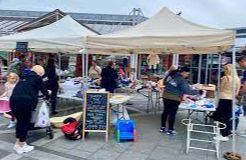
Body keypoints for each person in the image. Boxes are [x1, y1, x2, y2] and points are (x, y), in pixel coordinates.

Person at [10, 65, 50, 154]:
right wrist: (48, 93)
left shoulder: (23, 77)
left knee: (20, 122)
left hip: (13, 101)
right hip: (25, 102)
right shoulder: (37, 78)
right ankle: (22, 145)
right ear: (40, 73)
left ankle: (17, 144)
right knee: (24, 123)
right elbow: (44, 91)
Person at [161, 66, 201, 135]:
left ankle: (162, 127)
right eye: (187, 74)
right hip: (174, 98)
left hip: (165, 96)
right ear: (184, 72)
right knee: (172, 114)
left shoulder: (170, 75)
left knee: (165, 111)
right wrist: (198, 92)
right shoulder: (181, 79)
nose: (187, 75)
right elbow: (187, 90)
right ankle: (170, 130)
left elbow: (164, 83)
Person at [212, 64, 241, 141]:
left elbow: (220, 89)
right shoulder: (238, 79)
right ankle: (226, 133)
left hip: (223, 98)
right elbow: (237, 93)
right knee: (227, 117)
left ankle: (222, 134)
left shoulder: (225, 78)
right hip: (231, 99)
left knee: (221, 116)